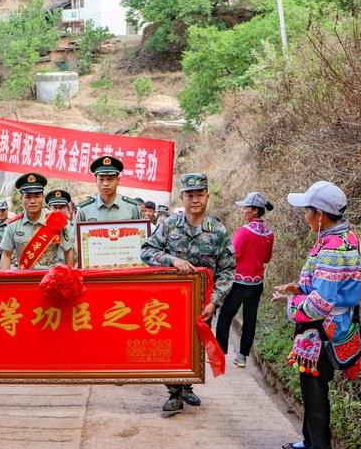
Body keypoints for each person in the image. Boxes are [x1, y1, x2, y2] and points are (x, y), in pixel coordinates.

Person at [275, 181, 361, 449]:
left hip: (323, 328)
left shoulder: (332, 248)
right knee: (310, 383)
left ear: (320, 215)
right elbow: (322, 285)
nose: (305, 217)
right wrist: (299, 287)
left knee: (315, 387)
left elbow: (321, 302)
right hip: (326, 325)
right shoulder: (343, 238)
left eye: (307, 211)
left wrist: (293, 305)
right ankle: (310, 440)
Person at [141, 173, 235, 413]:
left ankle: (187, 386)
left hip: (203, 302)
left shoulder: (218, 231)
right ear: (182, 197)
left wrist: (214, 302)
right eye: (190, 195)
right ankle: (174, 392)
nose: (195, 200)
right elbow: (147, 251)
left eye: (199, 194)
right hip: (170, 301)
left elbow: (227, 270)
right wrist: (172, 260)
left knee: (195, 344)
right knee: (172, 344)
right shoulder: (169, 225)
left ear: (207, 196)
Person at [216, 192, 274, 369]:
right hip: (257, 284)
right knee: (250, 320)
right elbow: (267, 258)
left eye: (245, 207)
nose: (242, 210)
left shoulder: (244, 231)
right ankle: (242, 357)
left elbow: (233, 255)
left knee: (225, 315)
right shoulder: (269, 233)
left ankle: (219, 354)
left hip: (239, 282)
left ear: (255, 211)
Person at [0, 173, 74, 270]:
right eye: (28, 197)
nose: (33, 201)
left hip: (50, 277)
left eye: (37, 196)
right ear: (21, 198)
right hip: (24, 277)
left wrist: (69, 275)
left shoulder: (56, 221)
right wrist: (5, 278)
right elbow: (6, 255)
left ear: (43, 197)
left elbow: (68, 251)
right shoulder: (13, 225)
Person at [77, 155, 144, 222]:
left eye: (110, 179)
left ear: (118, 180)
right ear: (96, 181)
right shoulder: (84, 210)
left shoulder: (132, 208)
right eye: (101, 179)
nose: (105, 183)